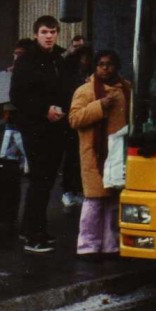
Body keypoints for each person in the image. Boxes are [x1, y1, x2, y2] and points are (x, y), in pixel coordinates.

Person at [10, 15, 75, 253]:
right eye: (45, 32)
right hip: (36, 128)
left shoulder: (58, 58)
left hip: (57, 127)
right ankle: (33, 235)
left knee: (45, 181)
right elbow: (17, 95)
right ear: (36, 34)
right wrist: (44, 110)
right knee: (40, 180)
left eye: (53, 32)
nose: (49, 36)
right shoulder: (27, 60)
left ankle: (32, 228)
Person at [68, 49, 130, 259]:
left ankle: (111, 245)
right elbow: (74, 119)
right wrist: (99, 106)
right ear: (95, 67)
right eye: (101, 65)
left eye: (109, 64)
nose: (105, 69)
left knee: (113, 200)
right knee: (94, 200)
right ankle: (88, 247)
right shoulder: (85, 91)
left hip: (118, 153)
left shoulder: (126, 89)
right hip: (95, 153)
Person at [59, 44, 94, 210]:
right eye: (83, 59)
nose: (85, 62)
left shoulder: (88, 74)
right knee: (72, 156)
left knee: (81, 157)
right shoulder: (71, 74)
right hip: (73, 119)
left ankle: (77, 190)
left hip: (86, 118)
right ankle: (68, 190)